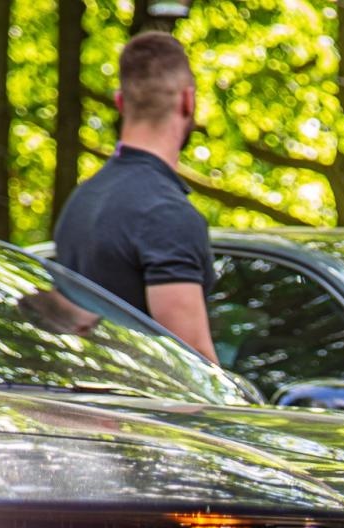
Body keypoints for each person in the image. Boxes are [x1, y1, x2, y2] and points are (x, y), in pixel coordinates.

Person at [53, 31, 216, 364]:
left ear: (120, 102)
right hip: (141, 414)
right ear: (188, 100)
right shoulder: (165, 214)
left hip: (83, 407)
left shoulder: (82, 200)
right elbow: (194, 367)